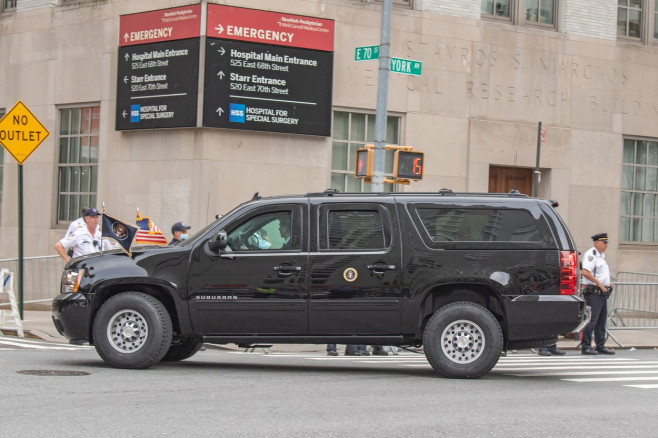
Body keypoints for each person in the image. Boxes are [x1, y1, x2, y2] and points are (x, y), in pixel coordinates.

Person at [580, 232, 615, 355]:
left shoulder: (601, 256)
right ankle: (586, 346)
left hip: (602, 293)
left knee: (601, 320)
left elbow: (600, 273)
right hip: (593, 293)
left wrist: (608, 282)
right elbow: (585, 272)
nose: (606, 245)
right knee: (591, 320)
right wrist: (599, 283)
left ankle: (600, 345)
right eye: (604, 243)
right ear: (597, 243)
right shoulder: (591, 255)